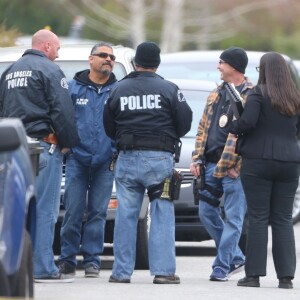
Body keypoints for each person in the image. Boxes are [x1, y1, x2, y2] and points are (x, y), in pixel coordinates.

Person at [103, 41, 192, 284]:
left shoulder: (118, 89)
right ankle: (163, 272)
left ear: (135, 63)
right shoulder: (169, 89)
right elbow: (185, 123)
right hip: (159, 160)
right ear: (157, 63)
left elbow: (109, 127)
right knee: (162, 213)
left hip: (127, 159)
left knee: (126, 214)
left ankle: (121, 273)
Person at [0, 29, 80, 283]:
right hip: (43, 148)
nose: (58, 53)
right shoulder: (50, 71)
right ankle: (43, 267)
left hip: (11, 151)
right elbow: (63, 110)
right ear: (46, 46)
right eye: (57, 48)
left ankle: (12, 265)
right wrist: (68, 143)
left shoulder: (9, 72)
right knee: (45, 209)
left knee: (13, 210)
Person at [229, 52, 300, 289]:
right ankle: (286, 278)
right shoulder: (295, 97)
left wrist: (232, 124)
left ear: (265, 71)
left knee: (258, 217)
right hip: (289, 162)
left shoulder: (258, 94)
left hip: (258, 161)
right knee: (282, 219)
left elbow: (247, 123)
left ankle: (254, 275)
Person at [190, 47, 254, 281]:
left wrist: (238, 162)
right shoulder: (216, 93)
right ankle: (236, 256)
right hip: (209, 165)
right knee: (206, 212)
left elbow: (252, 133)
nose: (218, 67)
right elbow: (202, 129)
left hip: (235, 168)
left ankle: (221, 266)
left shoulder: (252, 94)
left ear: (234, 66)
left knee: (234, 219)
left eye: (221, 63)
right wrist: (197, 157)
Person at [57, 42, 117, 278]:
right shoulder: (73, 88)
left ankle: (92, 261)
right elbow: (62, 118)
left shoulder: (117, 90)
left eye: (111, 57)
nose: (108, 59)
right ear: (90, 59)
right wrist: (66, 147)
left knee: (97, 213)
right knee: (72, 212)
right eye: (103, 55)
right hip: (76, 160)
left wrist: (114, 150)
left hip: (105, 162)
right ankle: (67, 260)